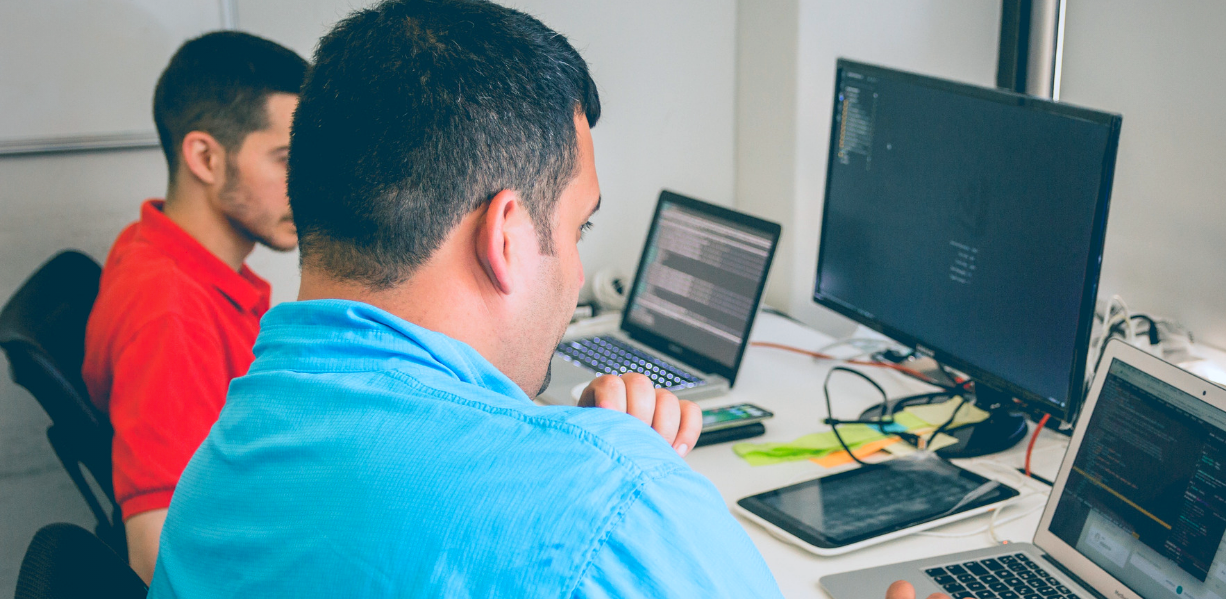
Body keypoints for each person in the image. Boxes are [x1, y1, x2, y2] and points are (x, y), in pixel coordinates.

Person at [147, 3, 951, 598]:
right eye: (576, 228)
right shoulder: (615, 511)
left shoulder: (219, 464)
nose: (575, 270)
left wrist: (578, 461)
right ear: (504, 237)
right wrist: (620, 488)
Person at [80, 31, 307, 582]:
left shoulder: (156, 245)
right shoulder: (169, 315)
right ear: (205, 157)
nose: (308, 186)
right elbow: (156, 556)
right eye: (286, 159)